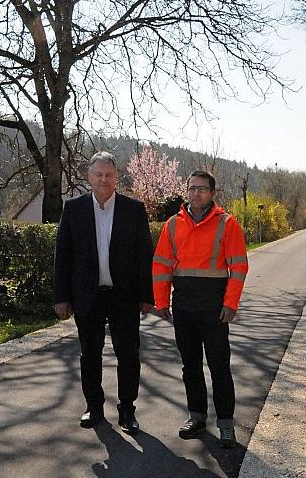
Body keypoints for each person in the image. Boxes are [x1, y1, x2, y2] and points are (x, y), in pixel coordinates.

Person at [54, 151, 153, 435]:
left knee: (129, 355)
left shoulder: (133, 209)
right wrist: (61, 297)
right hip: (87, 296)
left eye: (108, 174)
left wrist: (147, 295)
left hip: (124, 296)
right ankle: (94, 407)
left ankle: (126, 409)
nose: (103, 179)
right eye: (98, 174)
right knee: (90, 355)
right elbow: (63, 256)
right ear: (89, 177)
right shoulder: (73, 209)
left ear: (116, 178)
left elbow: (144, 255)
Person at [152, 170, 248, 448]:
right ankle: (196, 416)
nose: (196, 193)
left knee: (219, 366)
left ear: (212, 193)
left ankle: (226, 425)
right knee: (190, 365)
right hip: (183, 306)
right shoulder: (172, 225)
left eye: (202, 189)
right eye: (192, 188)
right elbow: (161, 265)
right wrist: (161, 301)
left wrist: (231, 303)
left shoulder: (227, 224)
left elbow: (239, 266)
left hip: (214, 307)